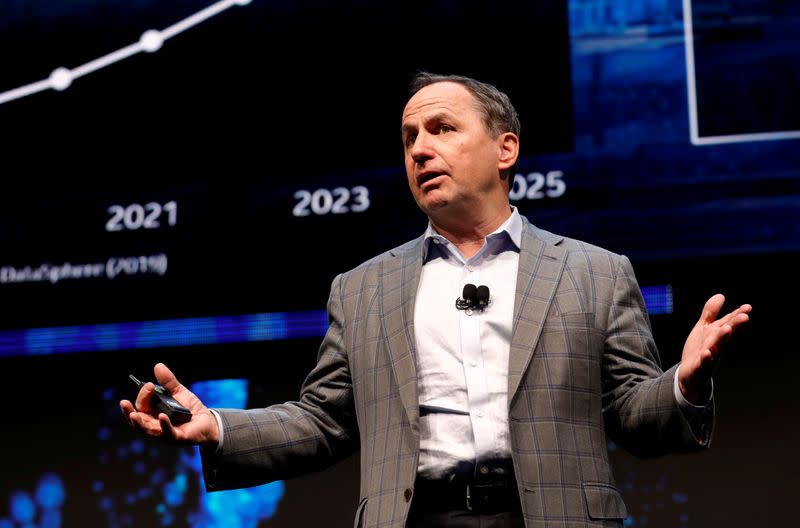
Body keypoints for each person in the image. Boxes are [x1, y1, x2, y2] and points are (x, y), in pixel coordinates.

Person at [121, 72, 752, 528]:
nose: (420, 148)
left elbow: (634, 417)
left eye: (442, 129)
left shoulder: (594, 272)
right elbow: (325, 420)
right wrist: (220, 427)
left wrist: (683, 384)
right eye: (409, 137)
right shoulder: (363, 287)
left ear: (505, 149)